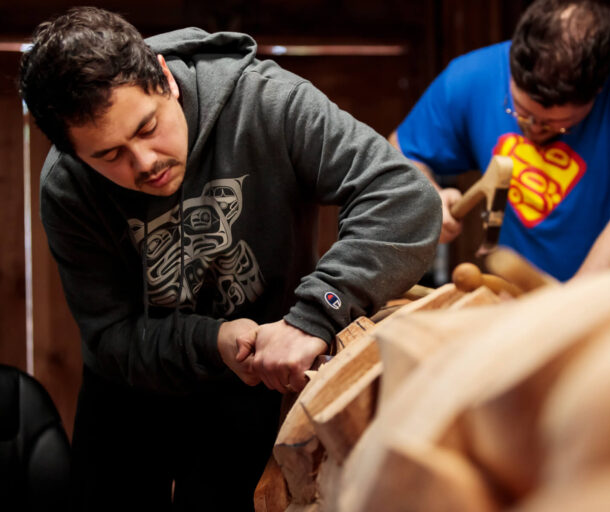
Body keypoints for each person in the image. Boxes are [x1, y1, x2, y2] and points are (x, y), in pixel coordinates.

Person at [19, 7, 440, 510]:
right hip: (131, 392)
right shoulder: (66, 186)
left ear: (165, 78)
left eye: (148, 127)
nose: (145, 162)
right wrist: (211, 340)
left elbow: (404, 198)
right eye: (109, 156)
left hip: (261, 377)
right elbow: (110, 337)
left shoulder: (266, 100)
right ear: (74, 154)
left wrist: (316, 314)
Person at [389, 0, 610, 282]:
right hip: (532, 299)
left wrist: (563, 311)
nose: (533, 129)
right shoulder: (469, 77)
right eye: (520, 112)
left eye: (557, 124)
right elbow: (399, 151)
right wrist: (426, 196)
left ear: (598, 91)